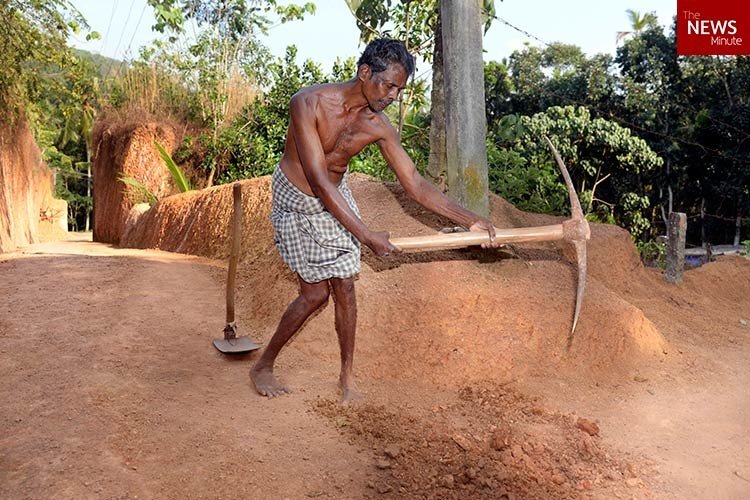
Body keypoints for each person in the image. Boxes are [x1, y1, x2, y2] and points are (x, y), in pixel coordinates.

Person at [250, 38, 499, 401]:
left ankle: (346, 378)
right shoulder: (309, 103)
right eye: (389, 85)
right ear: (365, 72)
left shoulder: (379, 126)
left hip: (336, 193)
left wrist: (470, 220)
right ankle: (263, 365)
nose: (394, 96)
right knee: (316, 294)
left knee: (346, 287)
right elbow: (317, 181)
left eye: (400, 89)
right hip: (299, 198)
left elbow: (414, 182)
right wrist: (366, 235)